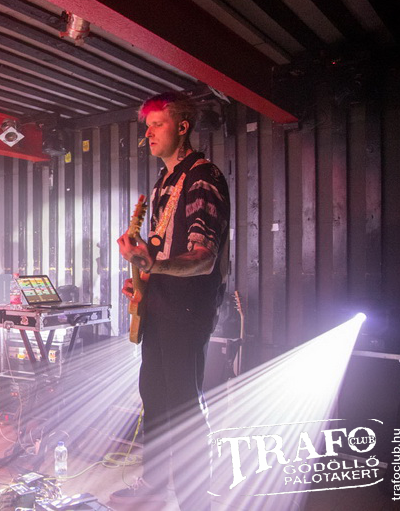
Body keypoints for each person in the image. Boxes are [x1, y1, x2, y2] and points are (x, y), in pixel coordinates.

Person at [114, 93, 230, 510]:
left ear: (182, 127)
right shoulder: (163, 182)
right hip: (161, 306)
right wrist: (142, 281)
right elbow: (161, 254)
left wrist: (153, 266)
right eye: (146, 126)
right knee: (154, 396)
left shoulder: (202, 177)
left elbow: (203, 258)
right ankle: (155, 484)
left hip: (187, 309)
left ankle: (197, 500)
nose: (148, 133)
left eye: (157, 124)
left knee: (182, 403)